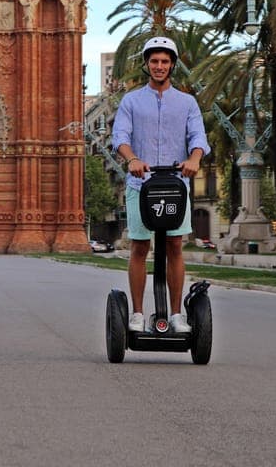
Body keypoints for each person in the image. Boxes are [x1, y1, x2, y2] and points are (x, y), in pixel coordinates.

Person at [111, 36, 210, 334]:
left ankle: (177, 314)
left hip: (176, 185)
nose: (159, 66)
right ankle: (138, 313)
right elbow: (121, 137)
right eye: (154, 61)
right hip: (140, 185)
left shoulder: (187, 102)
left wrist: (194, 160)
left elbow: (198, 139)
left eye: (164, 61)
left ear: (172, 65)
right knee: (140, 247)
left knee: (175, 245)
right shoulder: (131, 101)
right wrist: (132, 159)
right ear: (146, 64)